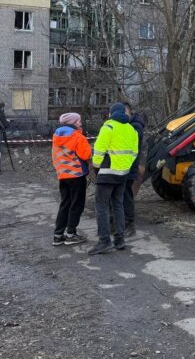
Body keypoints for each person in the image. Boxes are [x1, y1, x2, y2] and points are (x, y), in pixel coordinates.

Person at [88, 102, 138, 255]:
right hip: (123, 174)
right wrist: (125, 167)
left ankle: (104, 241)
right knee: (118, 205)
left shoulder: (108, 127)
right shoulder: (132, 130)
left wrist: (96, 167)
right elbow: (134, 153)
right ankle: (120, 239)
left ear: (111, 114)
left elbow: (98, 150)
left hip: (107, 173)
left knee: (101, 206)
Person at [52, 113, 92, 246]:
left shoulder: (56, 135)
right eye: (79, 121)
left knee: (65, 204)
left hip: (63, 175)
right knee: (77, 205)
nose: (80, 123)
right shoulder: (78, 137)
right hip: (77, 175)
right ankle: (71, 234)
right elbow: (86, 155)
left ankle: (58, 235)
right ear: (74, 122)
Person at [122, 102, 145, 238]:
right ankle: (119, 223)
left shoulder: (136, 127)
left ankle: (129, 224)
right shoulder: (130, 125)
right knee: (121, 195)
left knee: (126, 195)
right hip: (122, 166)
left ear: (128, 112)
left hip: (130, 166)